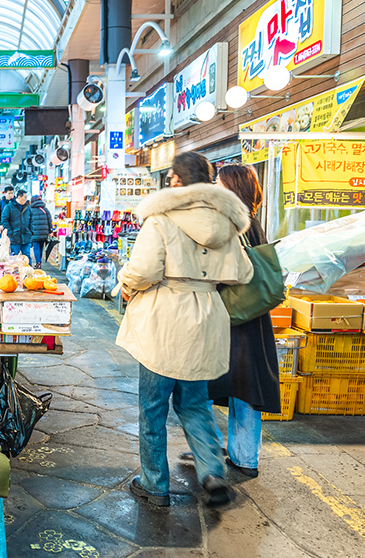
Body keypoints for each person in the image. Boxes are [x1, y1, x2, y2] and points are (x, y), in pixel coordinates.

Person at [114, 151, 253, 508]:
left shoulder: (161, 219)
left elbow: (143, 270)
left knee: (153, 407)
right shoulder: (227, 222)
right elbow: (244, 273)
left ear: (175, 181)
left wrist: (125, 282)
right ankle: (211, 472)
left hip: (165, 318)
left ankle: (154, 483)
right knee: (194, 404)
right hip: (206, 317)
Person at [202, 163, 281, 478]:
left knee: (204, 386)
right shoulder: (253, 222)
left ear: (232, 187)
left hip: (230, 316)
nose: (214, 188)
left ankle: (208, 448)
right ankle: (245, 456)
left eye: (219, 183)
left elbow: (224, 271)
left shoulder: (231, 223)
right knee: (245, 387)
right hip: (252, 317)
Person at [0, 189, 32, 257]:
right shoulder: (9, 207)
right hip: (14, 238)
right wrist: (10, 232)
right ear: (19, 197)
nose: (26, 199)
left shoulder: (28, 207)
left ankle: (28, 268)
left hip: (26, 237)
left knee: (27, 257)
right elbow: (4, 220)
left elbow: (32, 220)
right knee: (14, 258)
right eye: (24, 197)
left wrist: (31, 231)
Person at [27, 194, 53, 269]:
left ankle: (38, 262)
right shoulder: (45, 209)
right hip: (44, 232)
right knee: (41, 247)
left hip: (34, 232)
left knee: (36, 248)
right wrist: (50, 230)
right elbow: (49, 220)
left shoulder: (30, 209)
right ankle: (39, 262)